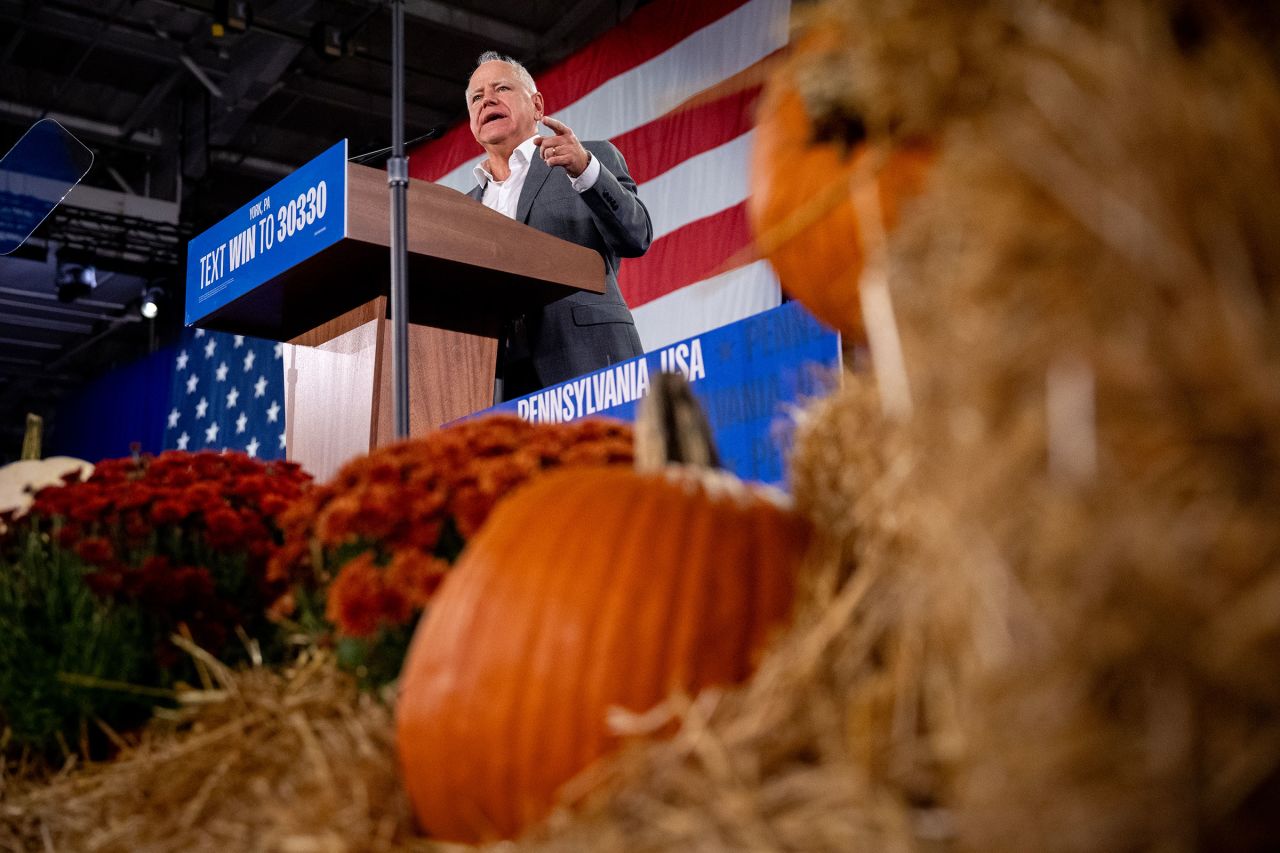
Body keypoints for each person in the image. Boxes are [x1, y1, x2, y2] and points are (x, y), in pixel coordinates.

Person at [464, 51, 650, 400]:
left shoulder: (585, 159)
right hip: (498, 381)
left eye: (501, 88)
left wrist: (586, 171)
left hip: (587, 360)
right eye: (477, 97)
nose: (487, 99)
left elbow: (637, 235)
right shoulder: (464, 206)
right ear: (473, 122)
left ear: (537, 105)